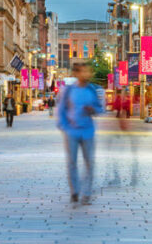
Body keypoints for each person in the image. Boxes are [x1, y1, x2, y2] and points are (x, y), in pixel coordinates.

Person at [56, 62, 104, 205]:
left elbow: (100, 109)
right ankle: (75, 191)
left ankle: (87, 193)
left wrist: (93, 109)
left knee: (89, 163)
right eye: (83, 71)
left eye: (88, 71)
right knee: (72, 163)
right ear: (76, 73)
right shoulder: (69, 91)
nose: (86, 74)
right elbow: (61, 110)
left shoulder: (92, 90)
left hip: (88, 131)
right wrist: (65, 126)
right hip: (71, 132)